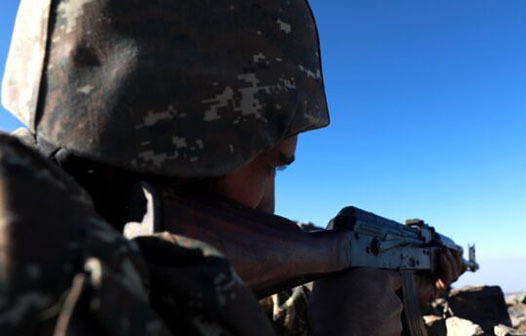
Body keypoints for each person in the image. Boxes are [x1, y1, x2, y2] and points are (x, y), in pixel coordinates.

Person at [0, 0, 465, 335]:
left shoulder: (55, 219)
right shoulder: (37, 267)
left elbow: (199, 302)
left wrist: (398, 289)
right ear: (186, 139)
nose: (270, 206)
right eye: (271, 167)